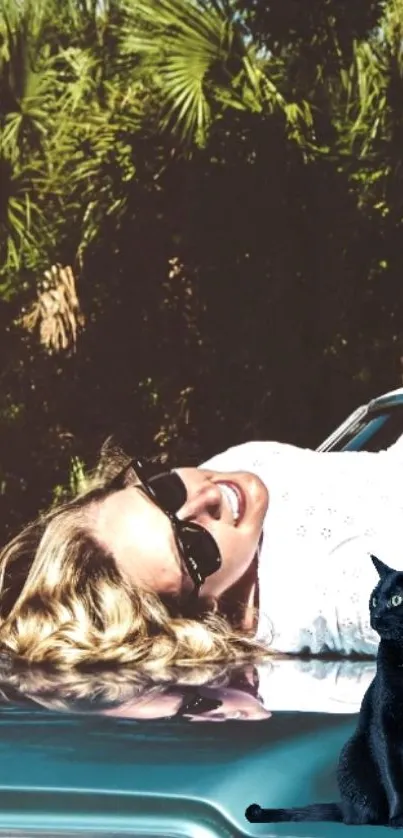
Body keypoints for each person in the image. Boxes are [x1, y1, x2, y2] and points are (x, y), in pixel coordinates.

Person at [1, 433, 403, 670]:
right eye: (193, 547)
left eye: (164, 489)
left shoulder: (233, 478)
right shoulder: (347, 600)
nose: (205, 497)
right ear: (206, 615)